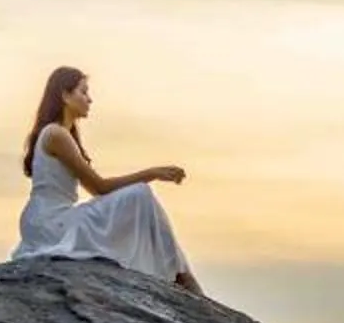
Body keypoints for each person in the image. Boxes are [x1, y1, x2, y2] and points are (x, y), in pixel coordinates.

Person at [12, 65, 205, 295]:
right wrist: (152, 173)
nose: (90, 99)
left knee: (139, 197)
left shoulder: (60, 134)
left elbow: (97, 189)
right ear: (64, 95)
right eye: (83, 92)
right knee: (140, 195)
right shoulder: (56, 134)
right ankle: (182, 276)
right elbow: (99, 187)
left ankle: (180, 273)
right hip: (52, 223)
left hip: (47, 220)